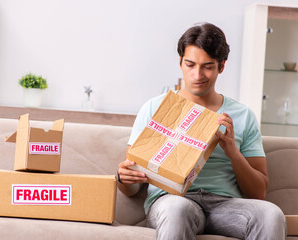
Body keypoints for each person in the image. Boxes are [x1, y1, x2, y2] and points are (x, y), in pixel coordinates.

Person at [117, 22, 286, 240]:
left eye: (207, 66)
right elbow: (131, 188)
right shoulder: (154, 108)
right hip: (171, 200)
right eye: (190, 64)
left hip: (225, 205)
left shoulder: (242, 115)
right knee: (177, 209)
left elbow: (258, 192)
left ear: (221, 66)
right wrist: (124, 178)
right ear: (180, 63)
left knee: (272, 214)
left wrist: (232, 151)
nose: (198, 75)